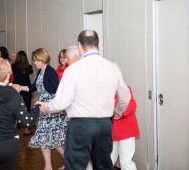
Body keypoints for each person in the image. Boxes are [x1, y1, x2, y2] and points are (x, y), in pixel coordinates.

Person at [38, 30, 131, 170]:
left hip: (81, 125)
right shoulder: (112, 67)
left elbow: (62, 102)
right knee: (104, 165)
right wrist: (118, 111)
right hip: (105, 124)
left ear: (79, 45)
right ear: (97, 44)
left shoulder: (73, 70)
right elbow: (125, 97)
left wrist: (47, 108)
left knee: (76, 166)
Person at [17, 48, 67, 170]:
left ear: (42, 59)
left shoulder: (50, 72)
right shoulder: (41, 71)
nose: (34, 63)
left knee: (56, 143)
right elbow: (33, 87)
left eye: (36, 60)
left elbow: (57, 92)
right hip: (44, 111)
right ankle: (48, 166)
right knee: (45, 139)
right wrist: (19, 87)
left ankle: (72, 163)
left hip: (52, 111)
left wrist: (51, 106)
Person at [111, 86, 140, 170]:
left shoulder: (123, 88)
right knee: (108, 160)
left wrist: (120, 112)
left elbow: (132, 104)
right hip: (112, 132)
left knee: (125, 162)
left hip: (127, 130)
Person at [11, 50, 33, 135]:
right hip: (26, 89)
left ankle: (15, 126)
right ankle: (27, 129)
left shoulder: (13, 66)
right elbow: (30, 73)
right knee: (27, 109)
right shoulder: (29, 67)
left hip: (16, 89)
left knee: (15, 108)